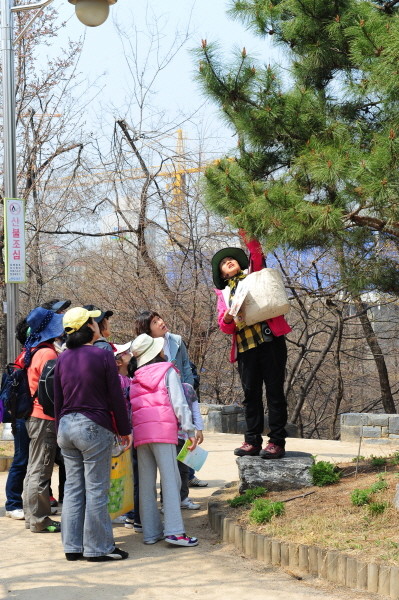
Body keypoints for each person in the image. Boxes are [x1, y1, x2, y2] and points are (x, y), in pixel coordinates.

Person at [54, 307, 132, 562]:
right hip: (92, 425)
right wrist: (124, 430)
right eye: (94, 321)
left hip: (66, 426)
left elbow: (57, 399)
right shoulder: (103, 355)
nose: (98, 323)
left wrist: (59, 429)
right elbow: (115, 397)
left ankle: (72, 547)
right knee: (97, 490)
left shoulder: (63, 358)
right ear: (89, 327)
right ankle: (98, 548)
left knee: (74, 488)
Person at [211, 232, 291, 459]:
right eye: (224, 264)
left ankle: (276, 441)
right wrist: (227, 318)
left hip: (269, 341)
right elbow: (224, 326)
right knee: (250, 395)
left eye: (231, 259)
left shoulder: (253, 276)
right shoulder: (223, 294)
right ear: (222, 275)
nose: (228, 262)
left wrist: (245, 229)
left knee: (275, 392)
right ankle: (252, 440)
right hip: (245, 349)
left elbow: (256, 252)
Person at [129, 333, 199, 547]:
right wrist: (190, 430)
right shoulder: (167, 370)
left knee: (146, 483)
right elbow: (179, 403)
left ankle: (151, 533)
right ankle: (175, 532)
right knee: (171, 480)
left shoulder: (136, 375)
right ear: (157, 352)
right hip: (163, 432)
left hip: (142, 436)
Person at [135, 310, 208, 490]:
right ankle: (176, 488)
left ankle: (188, 477)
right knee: (169, 444)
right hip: (160, 402)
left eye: (159, 318)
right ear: (146, 329)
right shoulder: (144, 347)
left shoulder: (176, 340)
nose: (161, 322)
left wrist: (186, 389)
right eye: (154, 322)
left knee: (185, 438)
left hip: (180, 393)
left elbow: (186, 366)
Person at [23, 307, 64, 533]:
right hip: (45, 418)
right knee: (41, 469)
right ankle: (40, 520)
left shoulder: (36, 350)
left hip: (35, 416)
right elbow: (54, 390)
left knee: (33, 468)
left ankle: (33, 517)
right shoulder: (48, 354)